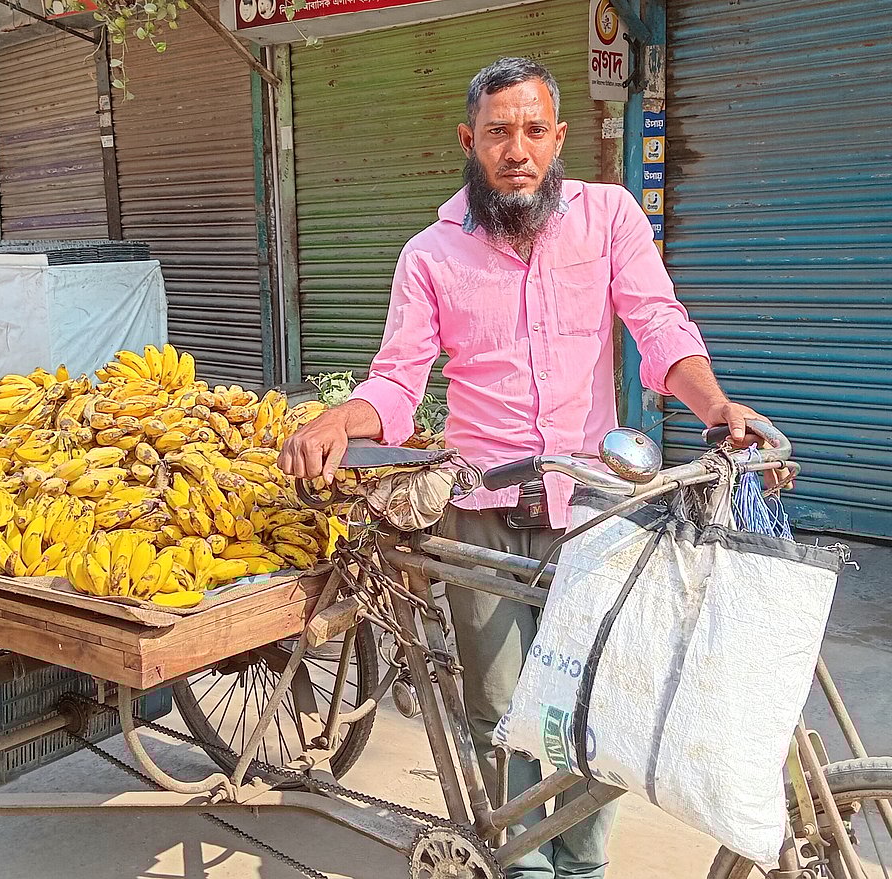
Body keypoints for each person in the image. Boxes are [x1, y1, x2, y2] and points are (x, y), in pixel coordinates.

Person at [278, 57, 786, 879]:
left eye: (533, 130)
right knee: (503, 713)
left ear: (558, 138)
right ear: (469, 141)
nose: (517, 149)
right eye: (498, 132)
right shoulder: (430, 254)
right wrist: (343, 416)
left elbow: (658, 324)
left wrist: (714, 403)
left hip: (593, 508)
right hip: (479, 513)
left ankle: (581, 867)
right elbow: (399, 380)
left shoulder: (609, 218)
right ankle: (524, 866)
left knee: (597, 704)